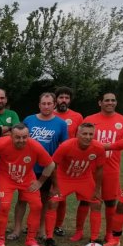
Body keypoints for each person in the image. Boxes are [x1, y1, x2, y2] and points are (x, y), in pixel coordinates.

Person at [10, 92, 68, 243]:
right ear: (39, 105)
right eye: (43, 103)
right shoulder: (29, 120)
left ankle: (41, 229)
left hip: (47, 169)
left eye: (49, 104)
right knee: (22, 199)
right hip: (28, 167)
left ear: (54, 105)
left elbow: (64, 148)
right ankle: (17, 229)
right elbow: (19, 139)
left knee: (43, 200)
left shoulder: (61, 124)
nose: (46, 106)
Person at [0, 124, 56, 246]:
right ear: (11, 136)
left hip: (27, 179)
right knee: (4, 206)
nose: (21, 140)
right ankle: (0, 239)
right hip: (6, 179)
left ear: (29, 136)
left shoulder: (35, 146)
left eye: (24, 137)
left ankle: (31, 239)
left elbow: (51, 164)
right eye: (17, 137)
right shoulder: (1, 143)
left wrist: (40, 182)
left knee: (37, 206)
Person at [45, 122, 105, 245]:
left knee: (97, 203)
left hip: (84, 178)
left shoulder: (98, 147)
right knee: (53, 202)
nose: (88, 137)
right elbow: (53, 165)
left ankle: (93, 238)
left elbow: (100, 169)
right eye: (84, 134)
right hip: (64, 178)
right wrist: (55, 186)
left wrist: (97, 189)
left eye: (91, 134)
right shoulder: (66, 146)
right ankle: (49, 237)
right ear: (78, 134)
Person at [83, 91, 123, 241]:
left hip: (112, 169)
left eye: (113, 100)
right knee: (92, 201)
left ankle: (109, 233)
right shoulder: (89, 119)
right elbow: (81, 139)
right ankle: (90, 235)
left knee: (111, 202)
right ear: (100, 103)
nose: (110, 103)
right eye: (107, 100)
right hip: (91, 168)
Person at [51, 86, 85, 236]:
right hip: (48, 160)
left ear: (70, 100)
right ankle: (40, 223)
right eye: (61, 97)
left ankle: (57, 225)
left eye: (66, 98)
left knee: (61, 196)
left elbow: (81, 139)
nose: (63, 100)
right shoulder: (49, 114)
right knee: (43, 194)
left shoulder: (77, 117)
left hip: (67, 163)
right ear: (56, 100)